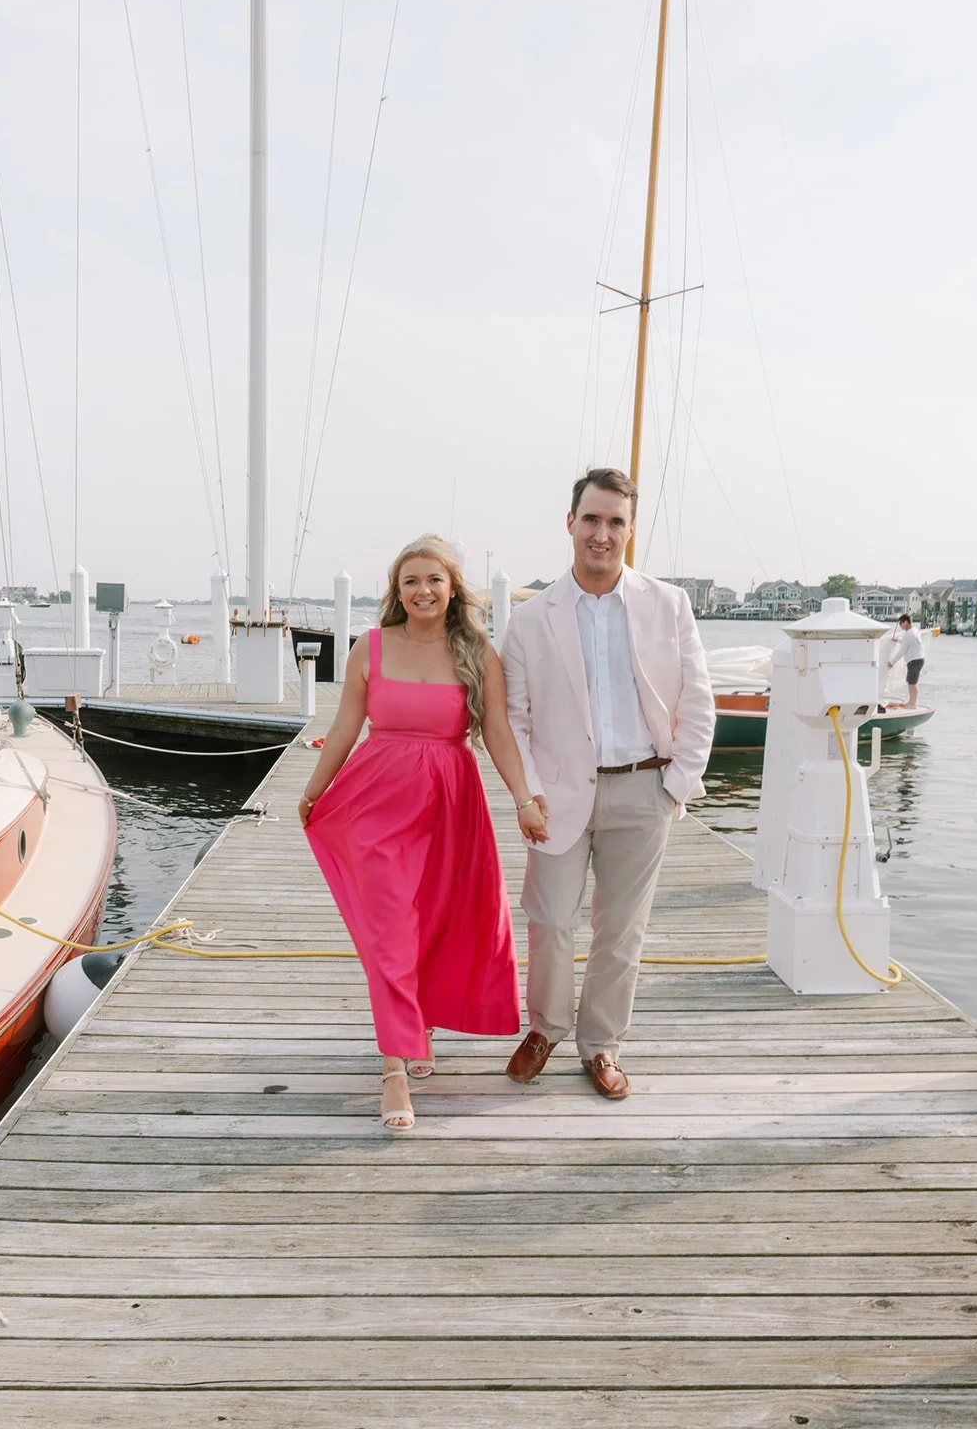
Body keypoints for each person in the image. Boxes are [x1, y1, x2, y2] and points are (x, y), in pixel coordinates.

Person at [300, 535, 548, 1132]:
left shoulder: (476, 651)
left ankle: (421, 1021)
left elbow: (497, 736)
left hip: (450, 803)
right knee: (390, 929)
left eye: (433, 580)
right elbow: (342, 730)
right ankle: (393, 1068)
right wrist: (313, 791)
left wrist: (523, 799)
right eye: (410, 581)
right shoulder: (371, 647)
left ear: (452, 587)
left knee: (437, 921)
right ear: (397, 590)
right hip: (377, 803)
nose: (422, 591)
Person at [500, 468, 715, 1100]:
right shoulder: (532, 618)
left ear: (629, 529)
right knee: (549, 920)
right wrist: (528, 792)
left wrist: (677, 784)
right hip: (557, 797)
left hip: (643, 790)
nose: (602, 533)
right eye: (591, 519)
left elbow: (698, 701)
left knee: (621, 929)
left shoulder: (668, 604)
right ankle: (545, 1028)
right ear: (570, 523)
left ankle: (601, 1045)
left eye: (615, 522)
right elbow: (513, 718)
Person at [887, 613, 925, 709]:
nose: (900, 625)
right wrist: (899, 640)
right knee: (912, 682)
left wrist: (892, 662)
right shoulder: (915, 631)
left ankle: (912, 704)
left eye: (901, 623)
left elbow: (902, 651)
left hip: (914, 661)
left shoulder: (908, 634)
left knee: (912, 683)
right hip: (919, 659)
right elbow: (909, 643)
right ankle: (911, 702)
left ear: (906, 622)